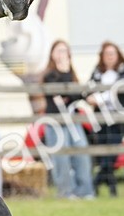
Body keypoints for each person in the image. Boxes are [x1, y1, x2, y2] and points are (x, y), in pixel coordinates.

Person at [35, 39, 93, 199]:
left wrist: (70, 93)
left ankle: (85, 191)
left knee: (81, 151)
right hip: (55, 122)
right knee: (61, 157)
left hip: (73, 120)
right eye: (58, 51)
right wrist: (69, 91)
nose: (61, 54)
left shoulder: (71, 74)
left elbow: (77, 94)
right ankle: (66, 192)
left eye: (64, 51)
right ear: (52, 54)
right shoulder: (49, 75)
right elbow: (57, 92)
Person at [84, 42, 124, 197]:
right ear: (102, 57)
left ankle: (95, 183)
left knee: (112, 155)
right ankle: (112, 189)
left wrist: (101, 98)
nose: (110, 57)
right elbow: (87, 91)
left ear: (118, 55)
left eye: (112, 53)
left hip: (117, 121)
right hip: (101, 121)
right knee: (104, 154)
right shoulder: (97, 74)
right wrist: (92, 98)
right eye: (106, 54)